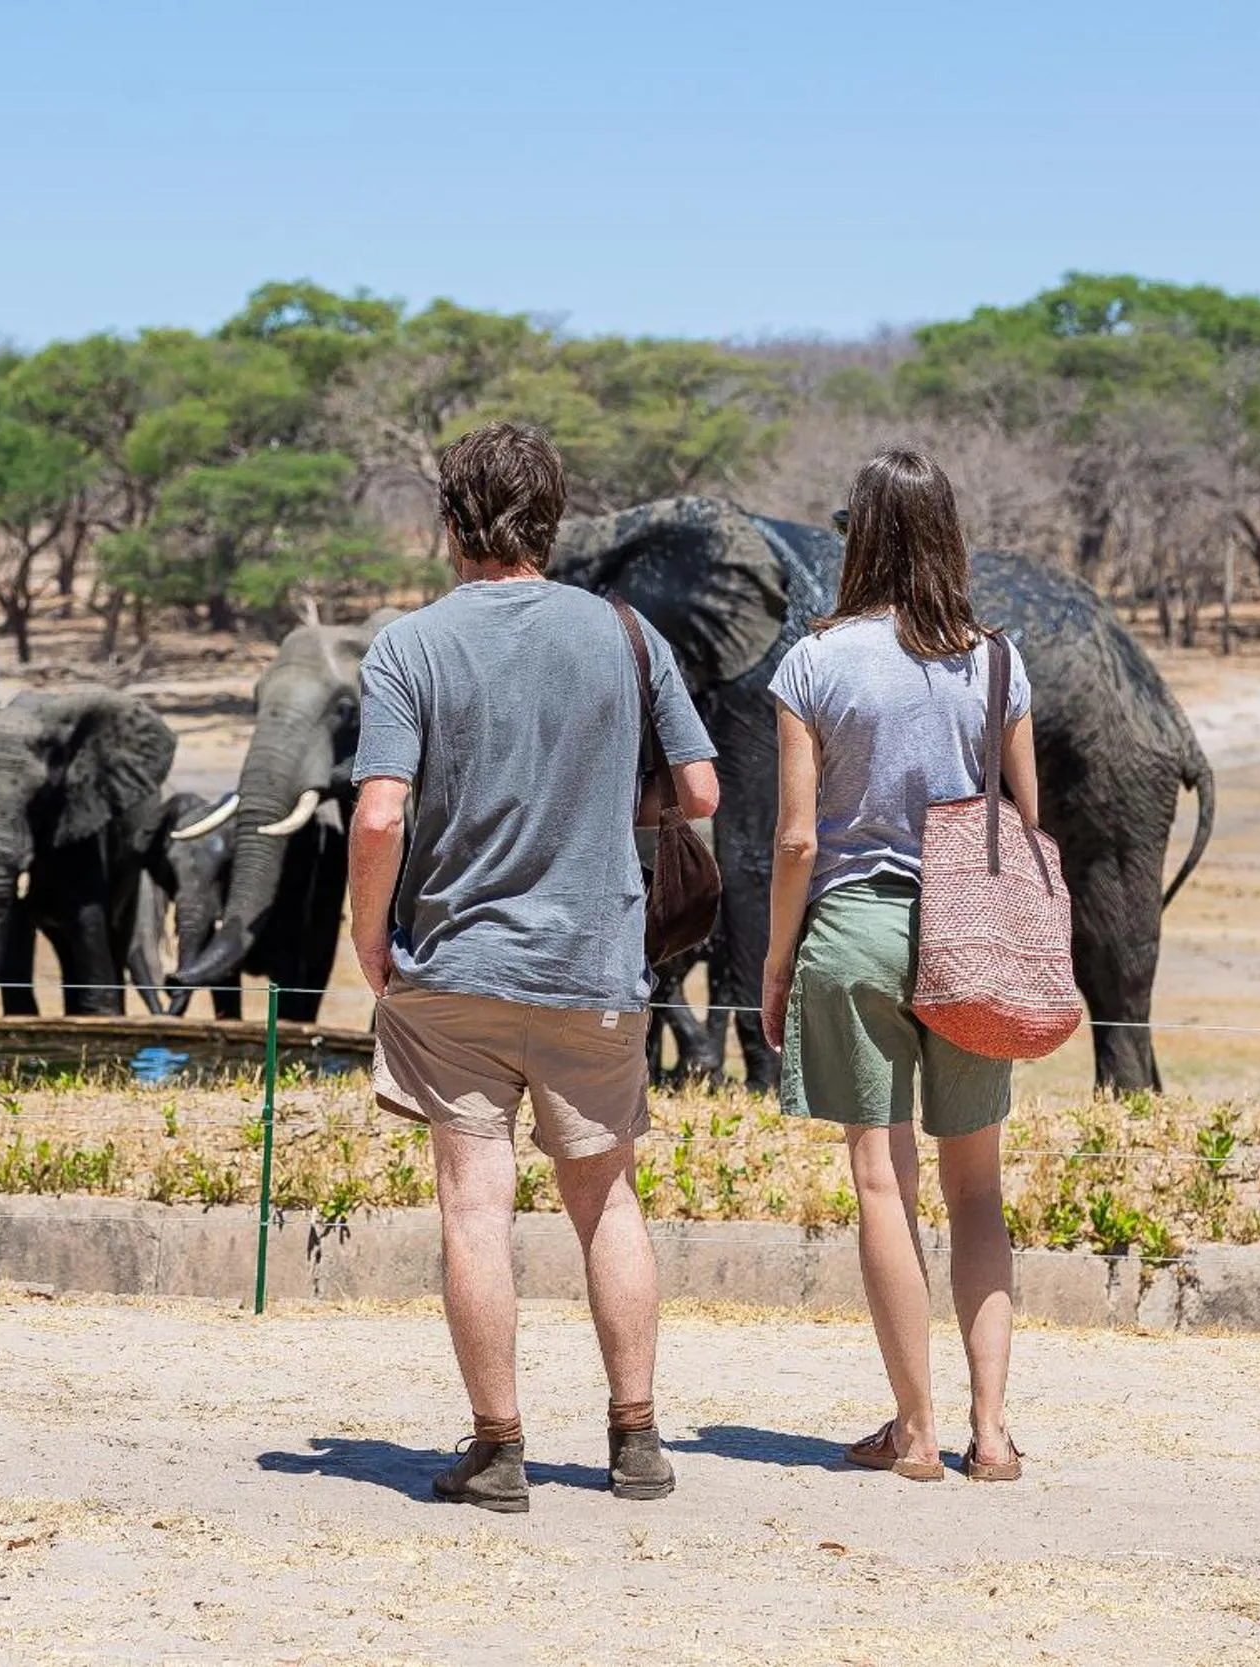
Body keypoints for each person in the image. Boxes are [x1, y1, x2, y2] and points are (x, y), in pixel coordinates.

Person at [348, 421, 719, 1513]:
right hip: (594, 965)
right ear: (550, 521)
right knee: (606, 1201)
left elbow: (379, 813)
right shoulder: (625, 633)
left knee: (474, 1207)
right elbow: (700, 793)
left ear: (449, 523)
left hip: (454, 965)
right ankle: (636, 1439)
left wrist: (368, 935)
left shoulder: (407, 645)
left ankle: (499, 1448)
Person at [761, 446, 1031, 1484]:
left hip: (856, 926)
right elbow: (1027, 823)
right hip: (973, 935)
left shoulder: (814, 662)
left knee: (883, 1178)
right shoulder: (997, 658)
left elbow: (794, 840)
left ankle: (912, 1431)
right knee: (978, 1191)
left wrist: (780, 961)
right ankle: (992, 1432)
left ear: (856, 535)